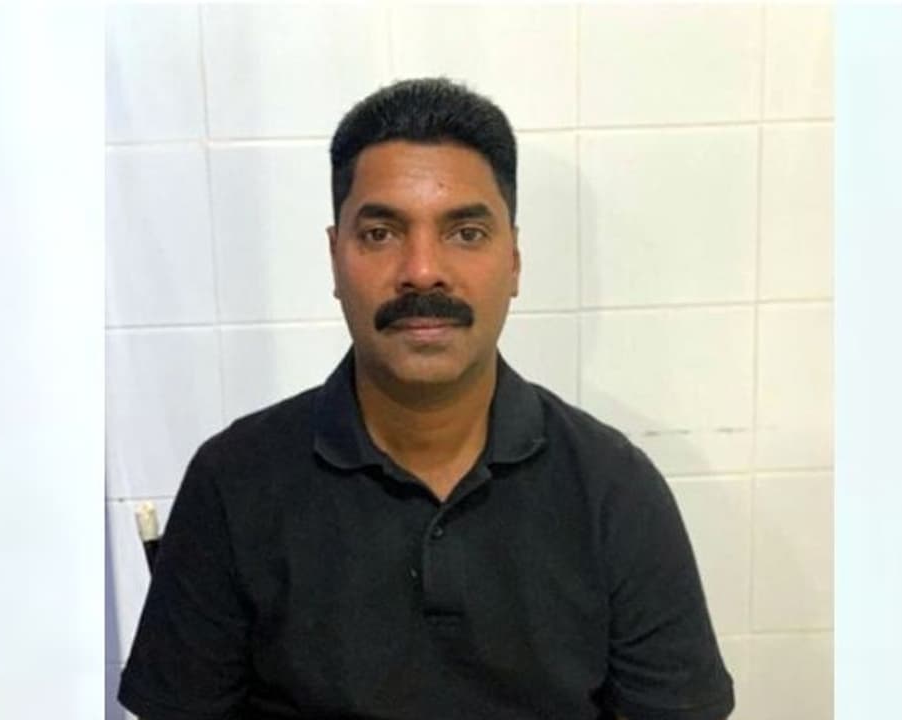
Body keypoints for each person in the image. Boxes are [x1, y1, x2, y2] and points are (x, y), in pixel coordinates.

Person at [119, 77, 734, 720]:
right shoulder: (233, 483)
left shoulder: (613, 488)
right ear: (334, 258)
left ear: (514, 260)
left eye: (465, 232)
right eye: (380, 233)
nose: (421, 271)